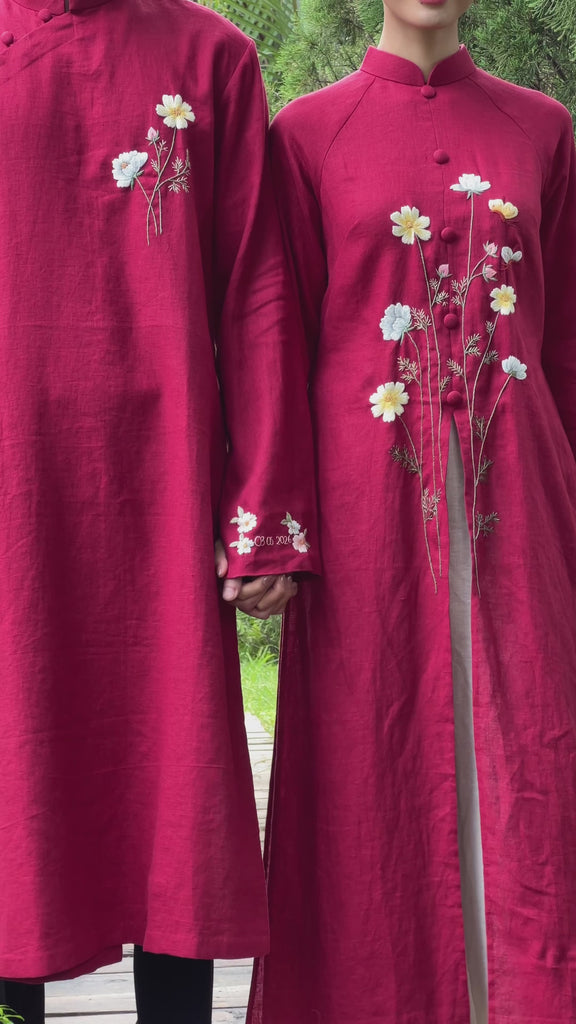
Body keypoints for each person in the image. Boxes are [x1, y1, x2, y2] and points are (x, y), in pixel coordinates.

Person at [247, 1, 576, 1022]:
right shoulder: (305, 134)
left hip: (521, 508)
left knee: (535, 771)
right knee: (365, 778)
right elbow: (274, 338)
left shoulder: (543, 130)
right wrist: (271, 521)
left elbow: (565, 347)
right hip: (365, 518)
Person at [0, 0, 319, 1021]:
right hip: (14, 479)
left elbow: (256, 289)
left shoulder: (209, 55)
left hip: (163, 487)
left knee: (174, 776)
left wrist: (264, 505)